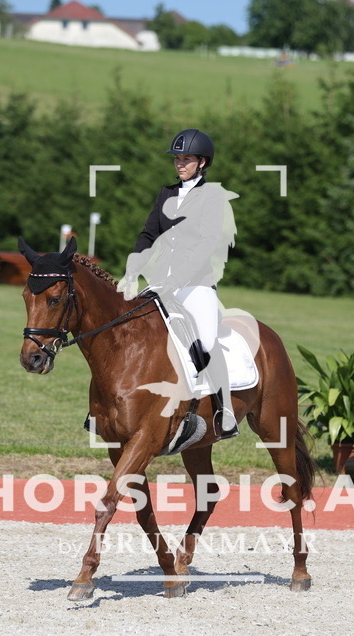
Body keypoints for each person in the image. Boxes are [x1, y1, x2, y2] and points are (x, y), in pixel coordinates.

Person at [117, 129, 239, 440]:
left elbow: (207, 244)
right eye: (177, 158)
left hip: (195, 285)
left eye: (186, 159)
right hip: (159, 283)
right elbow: (148, 235)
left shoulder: (212, 198)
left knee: (206, 339)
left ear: (202, 162)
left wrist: (177, 279)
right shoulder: (165, 194)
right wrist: (133, 269)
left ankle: (224, 409)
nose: (180, 164)